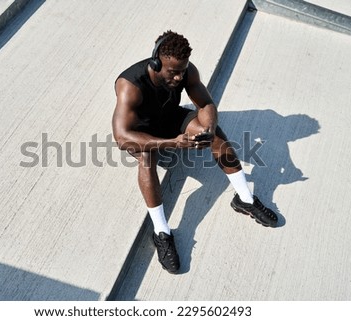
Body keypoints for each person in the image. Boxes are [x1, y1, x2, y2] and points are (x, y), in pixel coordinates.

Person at [112, 30, 278, 274]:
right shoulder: (130, 85)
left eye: (183, 70)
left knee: (217, 135)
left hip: (170, 118)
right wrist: (172, 143)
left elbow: (206, 104)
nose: (179, 77)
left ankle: (244, 199)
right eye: (173, 72)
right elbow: (122, 137)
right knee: (146, 159)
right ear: (156, 61)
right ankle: (161, 233)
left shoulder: (186, 71)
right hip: (142, 131)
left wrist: (208, 129)